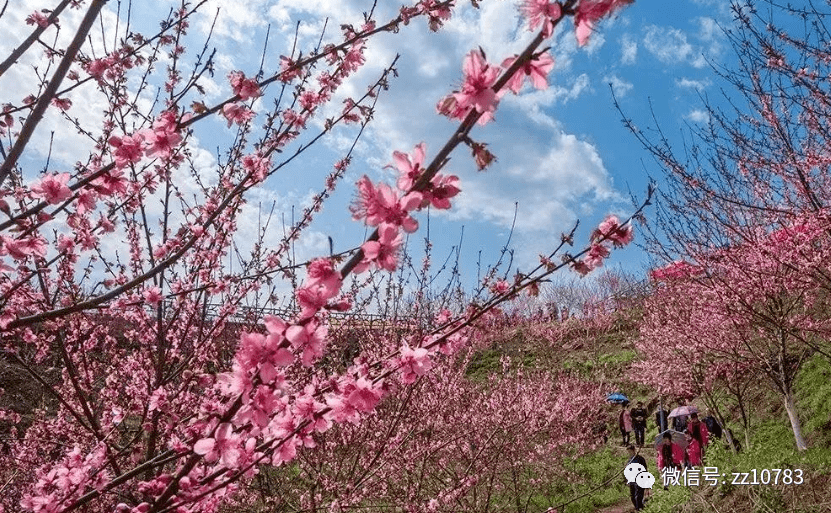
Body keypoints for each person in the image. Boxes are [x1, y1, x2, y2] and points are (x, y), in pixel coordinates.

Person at [626, 445, 647, 511]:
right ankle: (638, 508)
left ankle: (639, 509)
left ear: (634, 450)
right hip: (632, 480)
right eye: (628, 451)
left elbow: (645, 469)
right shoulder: (630, 460)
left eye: (630, 451)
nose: (629, 453)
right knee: (632, 497)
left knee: (638, 496)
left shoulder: (640, 459)